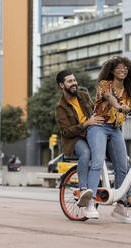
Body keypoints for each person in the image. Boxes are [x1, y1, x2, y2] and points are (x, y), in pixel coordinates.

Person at [84, 56, 131, 223]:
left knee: (123, 167)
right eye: (119, 67)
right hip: (99, 126)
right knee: (97, 162)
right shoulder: (105, 84)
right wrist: (119, 106)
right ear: (112, 70)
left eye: (126, 68)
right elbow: (109, 98)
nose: (123, 70)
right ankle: (90, 202)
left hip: (115, 129)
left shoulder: (127, 92)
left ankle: (120, 207)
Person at [55, 70, 104, 207]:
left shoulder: (83, 96)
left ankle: (125, 196)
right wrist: (86, 124)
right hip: (74, 140)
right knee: (85, 153)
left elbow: (95, 111)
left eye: (74, 80)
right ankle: (83, 189)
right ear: (61, 85)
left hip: (91, 134)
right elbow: (66, 132)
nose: (74, 83)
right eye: (70, 81)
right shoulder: (60, 108)